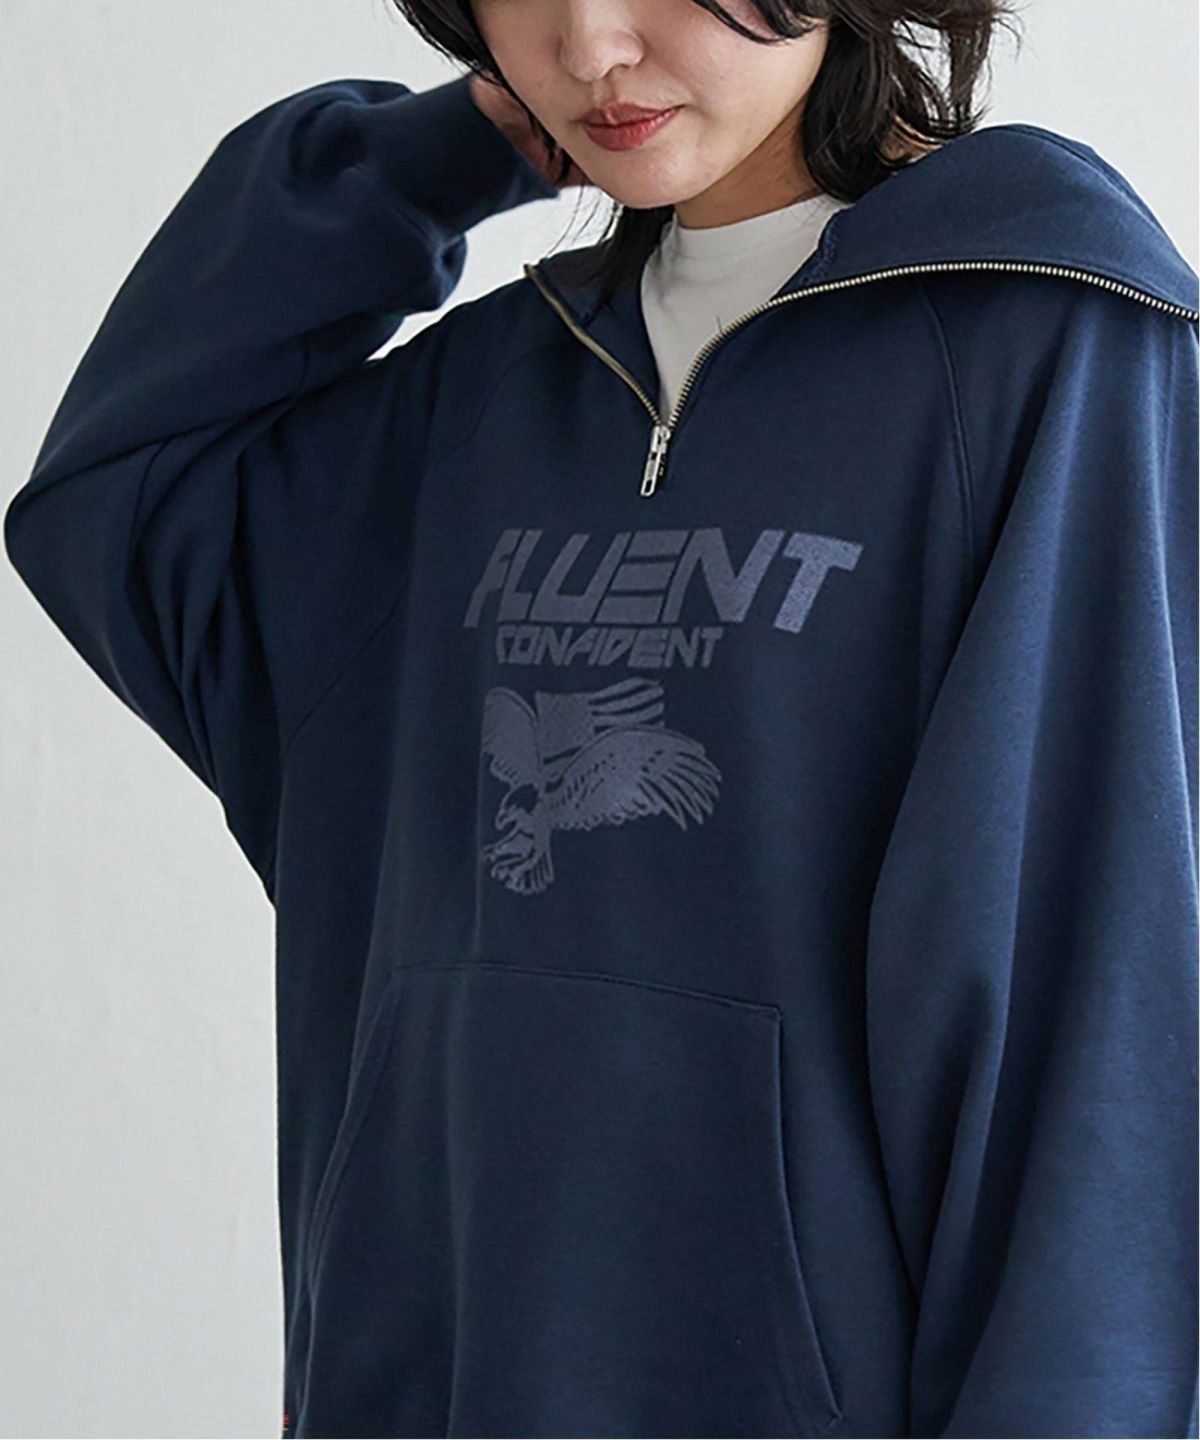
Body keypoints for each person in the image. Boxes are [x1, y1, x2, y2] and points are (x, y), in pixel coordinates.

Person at [4, 1, 1197, 1436]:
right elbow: (123, 500)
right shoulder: (477, 398)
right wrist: (431, 161)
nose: (588, 49)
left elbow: (1100, 1018)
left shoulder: (1046, 345)